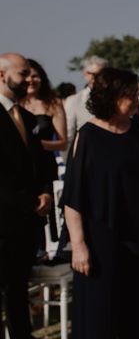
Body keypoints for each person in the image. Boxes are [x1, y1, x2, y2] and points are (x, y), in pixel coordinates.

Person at [61, 67, 139, 339]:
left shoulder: (137, 131)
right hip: (98, 243)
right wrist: (79, 246)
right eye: (131, 94)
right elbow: (73, 196)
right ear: (111, 95)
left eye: (137, 93)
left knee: (131, 316)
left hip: (135, 241)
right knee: (99, 318)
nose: (136, 98)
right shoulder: (87, 136)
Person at [0, 52, 53, 338]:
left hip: (25, 225)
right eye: (22, 74)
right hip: (4, 220)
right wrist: (28, 202)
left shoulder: (29, 117)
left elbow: (41, 164)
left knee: (18, 292)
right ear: (1, 75)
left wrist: (46, 192)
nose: (28, 79)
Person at [21, 59, 68, 244]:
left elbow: (63, 142)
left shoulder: (53, 104)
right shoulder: (14, 104)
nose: (31, 80)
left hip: (44, 168)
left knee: (46, 214)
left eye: (35, 75)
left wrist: (37, 145)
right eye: (26, 75)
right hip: (20, 169)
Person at [64, 55, 107, 157]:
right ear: (85, 74)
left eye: (102, 74)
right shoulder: (73, 101)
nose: (98, 78)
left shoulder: (117, 100)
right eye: (94, 74)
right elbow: (69, 137)